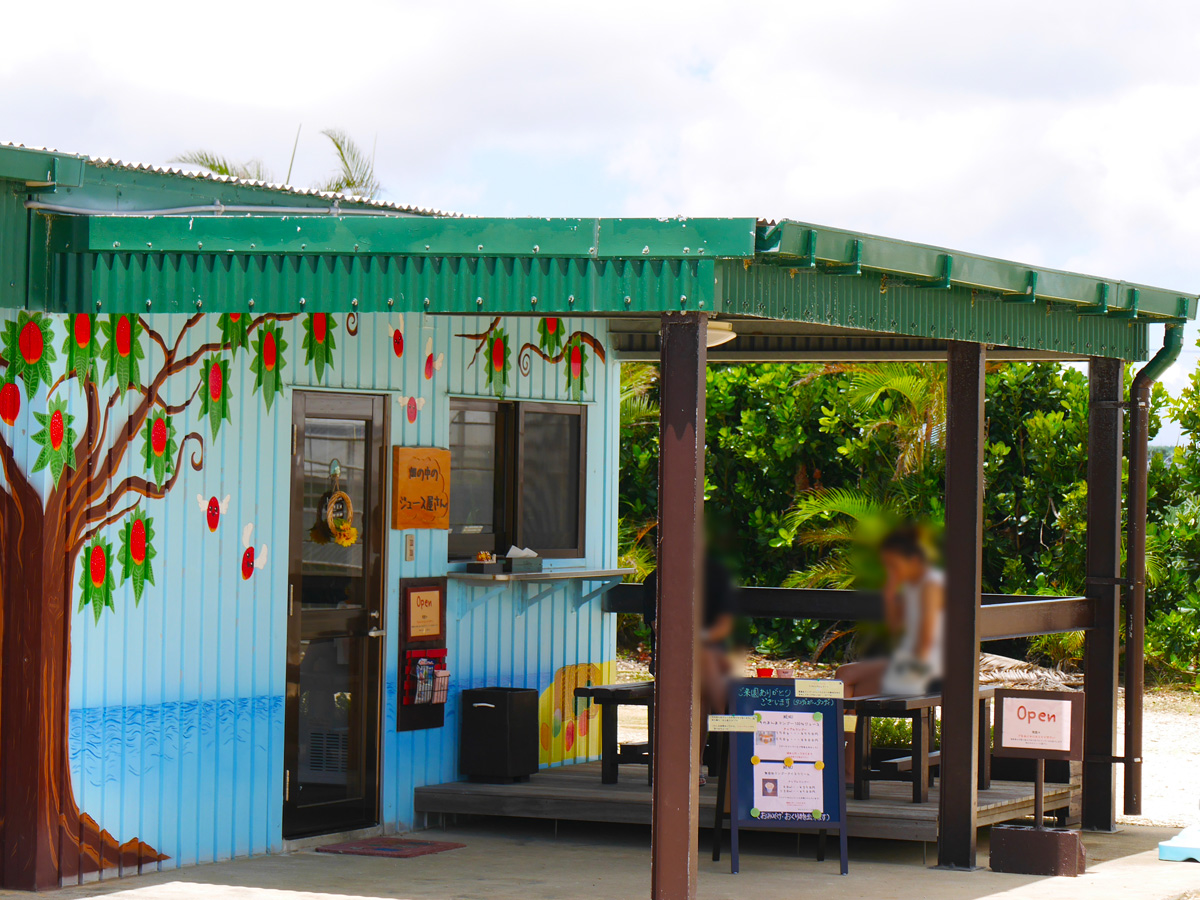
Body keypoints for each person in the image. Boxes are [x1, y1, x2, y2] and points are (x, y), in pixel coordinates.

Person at [643, 552, 737, 786]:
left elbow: (723, 625)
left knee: (705, 683)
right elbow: (660, 628)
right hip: (671, 659)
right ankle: (687, 764)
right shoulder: (655, 580)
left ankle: (698, 762)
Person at [835, 525, 944, 698]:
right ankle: (848, 725)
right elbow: (895, 630)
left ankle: (843, 725)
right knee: (849, 683)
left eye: (893, 565)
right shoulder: (912, 586)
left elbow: (927, 639)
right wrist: (890, 592)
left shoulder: (932, 585)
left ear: (914, 559)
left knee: (847, 681)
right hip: (910, 661)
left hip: (929, 669)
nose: (889, 571)